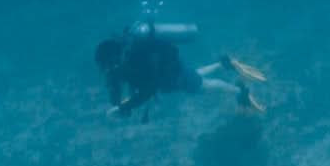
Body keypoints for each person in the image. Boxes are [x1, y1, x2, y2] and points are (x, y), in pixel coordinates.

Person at [95, 22, 266, 119]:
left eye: (110, 66)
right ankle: (224, 64)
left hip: (172, 75)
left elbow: (147, 91)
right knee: (193, 75)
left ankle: (239, 91)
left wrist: (125, 107)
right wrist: (119, 103)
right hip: (171, 71)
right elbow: (124, 89)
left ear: (116, 59)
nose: (109, 71)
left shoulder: (135, 61)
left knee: (203, 85)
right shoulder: (124, 62)